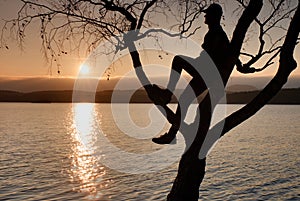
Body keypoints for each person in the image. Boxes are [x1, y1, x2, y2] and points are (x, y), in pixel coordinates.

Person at [150, 3, 230, 144]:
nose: (204, 16)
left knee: (178, 60)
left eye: (207, 14)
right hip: (205, 73)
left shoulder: (217, 34)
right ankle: (172, 135)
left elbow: (216, 58)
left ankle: (168, 95)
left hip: (207, 73)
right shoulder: (214, 33)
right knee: (184, 101)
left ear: (214, 16)